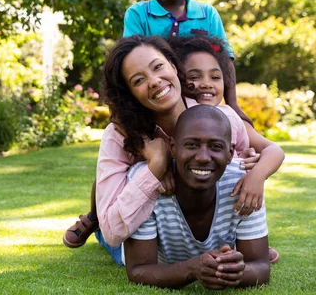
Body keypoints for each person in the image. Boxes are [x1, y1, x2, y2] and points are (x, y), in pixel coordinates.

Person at [63, 36, 249, 265]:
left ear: (173, 64)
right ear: (129, 93)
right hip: (145, 241)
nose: (153, 81)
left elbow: (245, 165)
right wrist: (154, 169)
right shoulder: (118, 136)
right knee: (108, 227)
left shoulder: (218, 118)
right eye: (139, 80)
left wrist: (254, 175)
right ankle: (94, 221)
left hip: (202, 238)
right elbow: (114, 232)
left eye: (158, 67)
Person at [124, 105, 270, 289]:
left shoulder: (244, 181)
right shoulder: (146, 180)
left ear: (230, 153)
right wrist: (193, 268)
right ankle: (95, 218)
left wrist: (233, 271)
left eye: (215, 146)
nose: (202, 157)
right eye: (191, 145)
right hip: (125, 240)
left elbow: (261, 267)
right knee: (110, 238)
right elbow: (138, 270)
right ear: (173, 148)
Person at [123, 0, 249, 124]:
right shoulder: (138, 14)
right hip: (157, 104)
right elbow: (130, 63)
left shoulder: (208, 15)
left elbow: (225, 61)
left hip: (201, 107)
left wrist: (233, 104)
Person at [173, 36, 285, 220]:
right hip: (183, 205)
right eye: (194, 77)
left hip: (225, 204)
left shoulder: (230, 117)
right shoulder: (178, 113)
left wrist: (257, 175)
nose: (207, 83)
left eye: (215, 77)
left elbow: (274, 150)